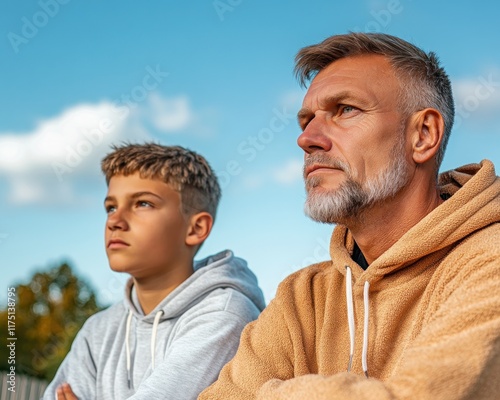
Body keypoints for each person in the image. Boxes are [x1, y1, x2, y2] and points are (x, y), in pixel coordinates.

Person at [200, 32, 500, 399]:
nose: (307, 138)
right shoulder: (301, 297)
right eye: (306, 120)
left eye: (345, 110)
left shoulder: (489, 260)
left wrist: (272, 393)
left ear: (423, 134)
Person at [43, 143, 265, 400]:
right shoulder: (97, 331)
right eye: (111, 207)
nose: (115, 221)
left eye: (143, 203)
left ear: (196, 228)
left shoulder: (224, 314)